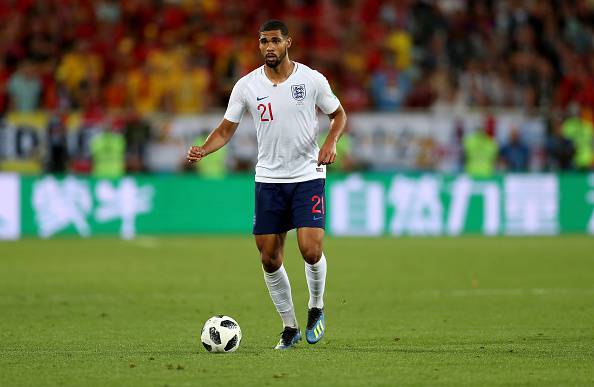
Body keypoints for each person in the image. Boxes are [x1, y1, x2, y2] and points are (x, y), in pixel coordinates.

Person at [187, 20, 347, 350]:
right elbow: (226, 129)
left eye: (275, 40)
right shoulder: (247, 86)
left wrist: (330, 143)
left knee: (310, 248)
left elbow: (339, 115)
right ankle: (289, 327)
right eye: (263, 41)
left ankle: (316, 308)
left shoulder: (311, 79)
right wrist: (204, 148)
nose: (268, 46)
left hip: (308, 174)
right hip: (269, 180)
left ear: (289, 42)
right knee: (269, 259)